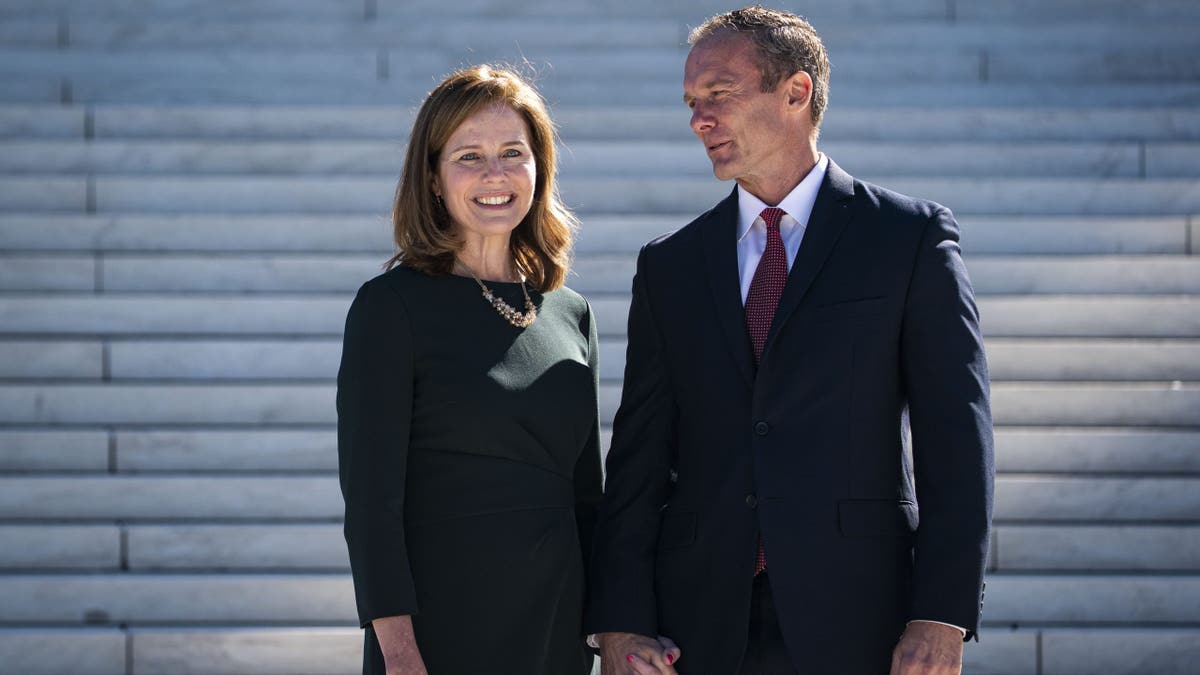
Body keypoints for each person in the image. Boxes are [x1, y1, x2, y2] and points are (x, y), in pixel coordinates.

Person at [584, 6, 994, 675]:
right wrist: (620, 620)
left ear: (796, 92)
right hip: (698, 625)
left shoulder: (907, 240)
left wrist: (941, 613)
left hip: (862, 617)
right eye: (691, 103)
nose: (699, 120)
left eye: (719, 94)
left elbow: (956, 435)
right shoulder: (670, 265)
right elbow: (639, 456)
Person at [337, 65, 601, 675]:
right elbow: (372, 502)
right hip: (444, 623)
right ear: (432, 178)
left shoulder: (571, 312)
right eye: (469, 157)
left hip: (556, 622)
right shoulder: (390, 307)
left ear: (539, 167)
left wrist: (607, 627)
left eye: (513, 153)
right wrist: (398, 651)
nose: (495, 175)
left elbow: (588, 495)